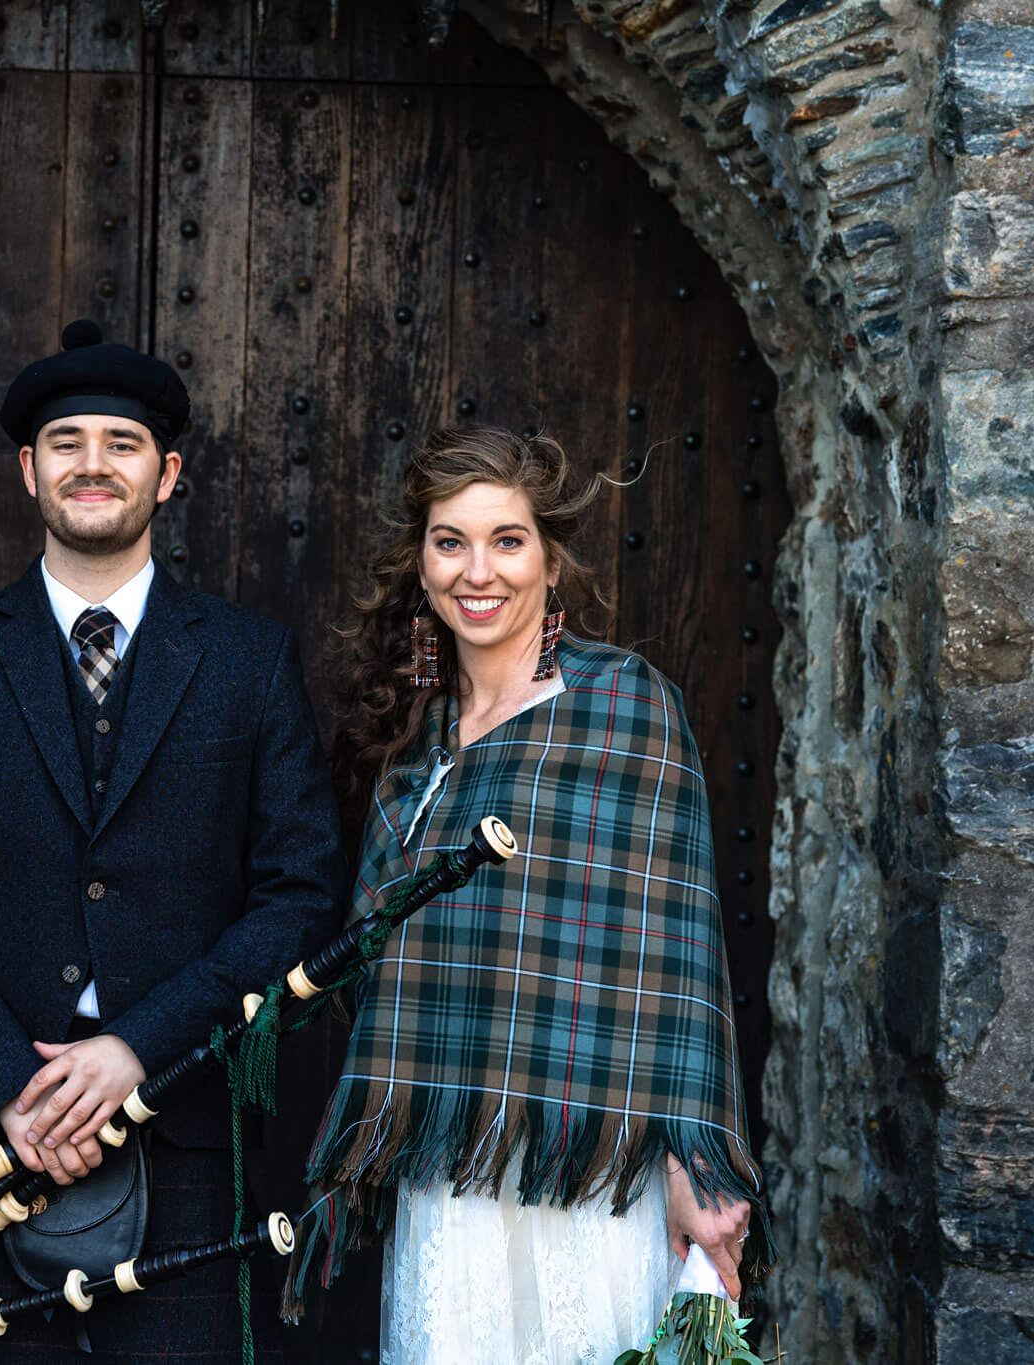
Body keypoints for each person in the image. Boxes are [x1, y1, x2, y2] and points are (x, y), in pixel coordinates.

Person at [0, 319, 346, 1359]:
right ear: (28, 470)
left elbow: (298, 896)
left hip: (183, 1125)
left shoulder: (250, 661)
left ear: (164, 476)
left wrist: (135, 1047)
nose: (91, 464)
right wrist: (7, 1088)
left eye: (119, 444)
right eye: (65, 442)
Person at [296, 426, 766, 1364]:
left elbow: (681, 964)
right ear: (420, 564)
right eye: (450, 541)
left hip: (590, 1167)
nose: (480, 570)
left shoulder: (625, 703)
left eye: (508, 540)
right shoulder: (413, 741)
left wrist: (696, 1167)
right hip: (450, 1170)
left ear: (551, 561)